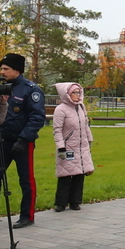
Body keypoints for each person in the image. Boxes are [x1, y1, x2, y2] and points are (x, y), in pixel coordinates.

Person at [0, 54, 46, 229]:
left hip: (22, 142)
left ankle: (27, 216)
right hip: (1, 140)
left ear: (17, 70)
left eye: (6, 69)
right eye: (1, 68)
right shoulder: (0, 88)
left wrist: (23, 139)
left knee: (26, 180)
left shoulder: (31, 89)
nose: (2, 72)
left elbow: (37, 117)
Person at [51, 82, 94, 212]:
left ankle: (75, 201)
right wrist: (61, 147)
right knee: (65, 175)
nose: (77, 95)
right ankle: (61, 203)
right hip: (68, 147)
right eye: (74, 92)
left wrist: (89, 139)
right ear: (67, 94)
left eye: (78, 92)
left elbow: (85, 125)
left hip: (81, 146)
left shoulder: (81, 107)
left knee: (79, 173)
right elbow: (57, 130)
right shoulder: (61, 109)